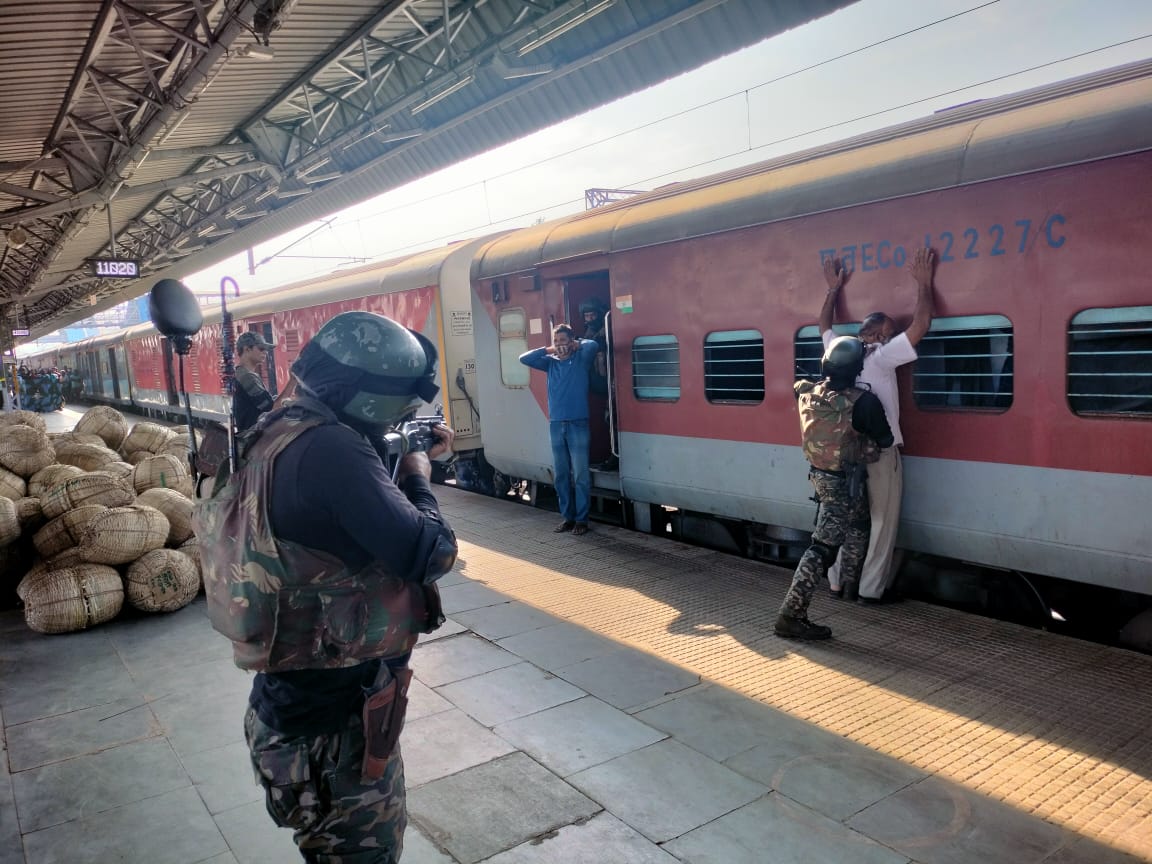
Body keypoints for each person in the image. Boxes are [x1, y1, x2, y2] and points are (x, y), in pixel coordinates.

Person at [194, 311, 458, 864]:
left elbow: (328, 523)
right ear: (368, 399)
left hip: (290, 710)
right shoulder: (335, 451)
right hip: (333, 740)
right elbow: (431, 552)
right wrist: (417, 473)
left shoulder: (281, 426)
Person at [820, 247, 936, 604]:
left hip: (844, 453)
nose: (893, 334)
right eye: (890, 330)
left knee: (844, 519)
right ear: (881, 336)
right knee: (882, 522)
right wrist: (924, 283)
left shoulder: (838, 351)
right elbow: (922, 325)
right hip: (881, 454)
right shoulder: (883, 358)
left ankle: (836, 581)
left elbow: (823, 325)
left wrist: (832, 289)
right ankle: (870, 590)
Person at [776, 336, 894, 640]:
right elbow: (885, 441)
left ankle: (849, 586)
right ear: (857, 368)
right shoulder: (864, 402)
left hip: (820, 476)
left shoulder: (805, 392)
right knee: (822, 548)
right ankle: (791, 615)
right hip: (844, 480)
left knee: (858, 524)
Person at [520, 324, 599, 535]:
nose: (560, 346)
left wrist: (575, 345)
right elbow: (524, 358)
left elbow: (593, 345)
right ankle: (567, 518)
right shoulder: (550, 363)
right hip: (556, 425)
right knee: (561, 475)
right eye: (557, 342)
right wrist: (549, 350)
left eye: (563, 341)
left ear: (571, 341)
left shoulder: (581, 359)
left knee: (581, 475)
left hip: (578, 424)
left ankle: (582, 520)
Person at [233, 331, 277, 433]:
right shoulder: (247, 377)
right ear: (247, 349)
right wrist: (293, 380)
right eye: (261, 349)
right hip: (254, 438)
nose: (265, 352)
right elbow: (272, 408)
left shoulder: (240, 373)